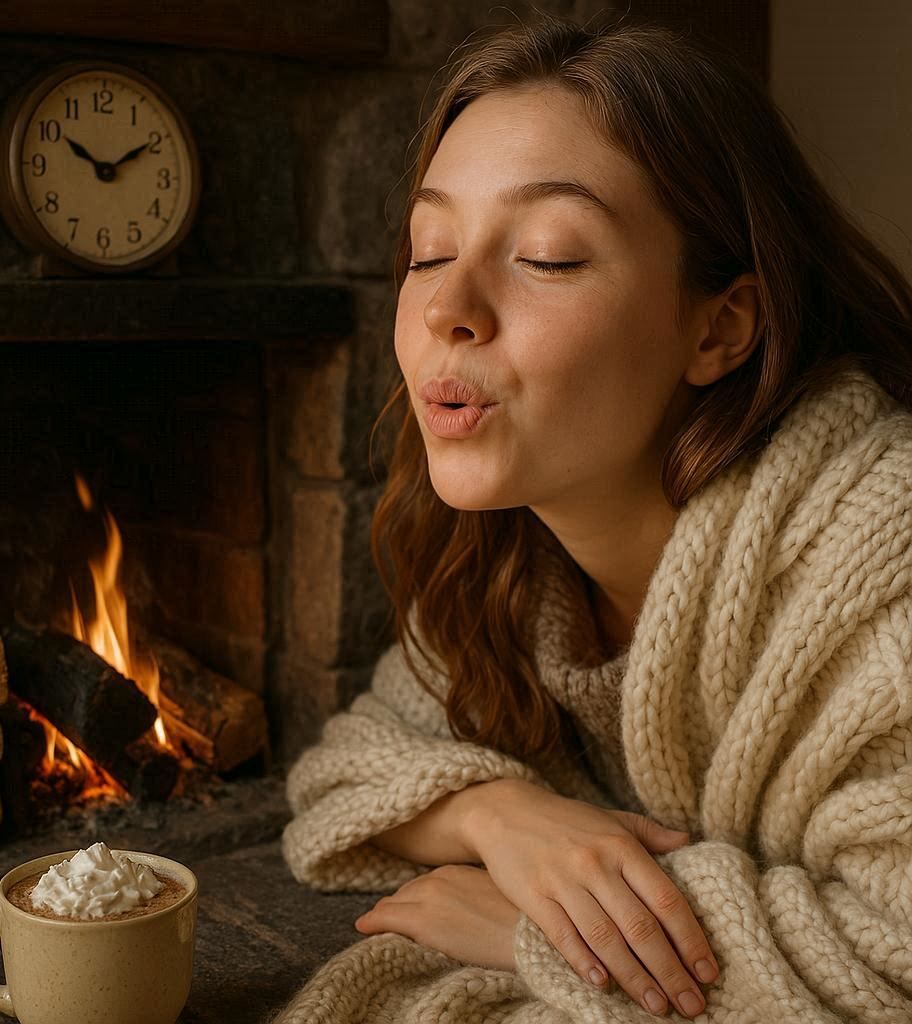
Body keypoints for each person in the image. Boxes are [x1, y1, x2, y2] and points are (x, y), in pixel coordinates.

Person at [274, 11, 912, 1023]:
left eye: (548, 256)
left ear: (720, 327)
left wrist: (540, 935)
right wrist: (503, 817)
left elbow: (895, 962)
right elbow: (355, 759)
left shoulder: (883, 572)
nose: (446, 308)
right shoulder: (516, 560)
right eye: (429, 250)